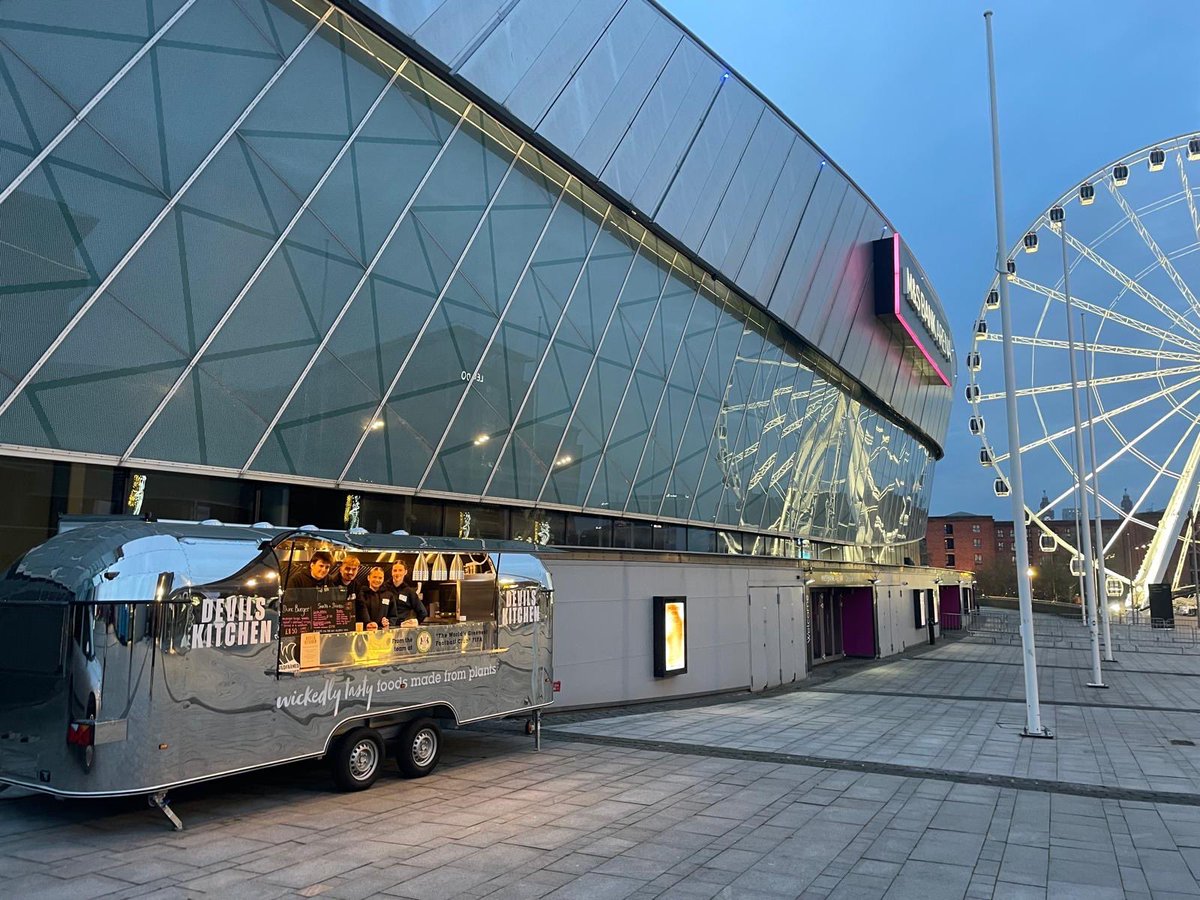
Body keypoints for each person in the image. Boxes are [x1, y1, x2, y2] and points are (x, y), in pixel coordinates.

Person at [387, 559, 427, 624]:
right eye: (395, 570)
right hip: (385, 628)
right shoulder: (384, 588)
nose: (397, 573)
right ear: (392, 572)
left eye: (400, 570)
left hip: (403, 628)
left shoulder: (409, 592)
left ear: (405, 572)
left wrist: (415, 622)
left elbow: (423, 612)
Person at [355, 565, 391, 630]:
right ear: (368, 578)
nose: (377, 580)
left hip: (382, 634)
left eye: (380, 578)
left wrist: (388, 622)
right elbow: (361, 610)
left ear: (383, 579)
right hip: (364, 632)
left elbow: (393, 615)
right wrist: (368, 622)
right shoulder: (361, 593)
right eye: (374, 577)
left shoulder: (388, 595)